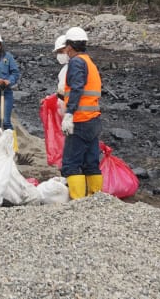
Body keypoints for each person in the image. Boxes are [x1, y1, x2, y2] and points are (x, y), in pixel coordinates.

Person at [60, 27, 103, 199]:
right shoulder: (89, 62)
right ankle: (96, 198)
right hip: (93, 120)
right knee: (91, 162)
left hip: (80, 120)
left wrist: (69, 113)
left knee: (71, 163)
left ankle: (77, 201)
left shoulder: (76, 62)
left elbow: (77, 88)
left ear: (70, 47)